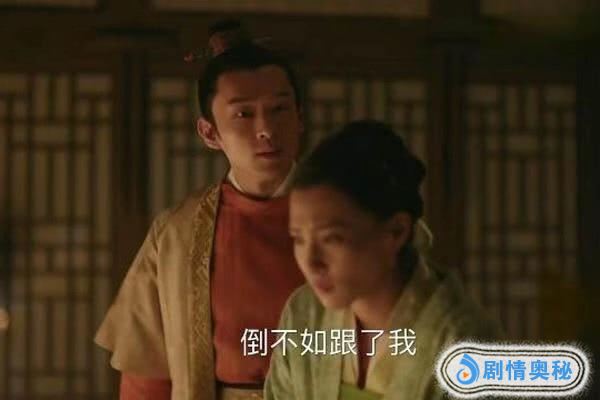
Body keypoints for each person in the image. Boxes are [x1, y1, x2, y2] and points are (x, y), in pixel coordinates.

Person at [95, 20, 306, 400]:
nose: (266, 129)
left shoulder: (354, 217)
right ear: (209, 132)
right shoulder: (177, 232)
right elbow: (147, 373)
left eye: (279, 109)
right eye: (243, 115)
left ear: (300, 117)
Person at [265, 120, 500, 400]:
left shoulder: (463, 342)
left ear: (396, 232)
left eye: (332, 239)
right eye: (299, 239)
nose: (311, 261)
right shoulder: (304, 314)